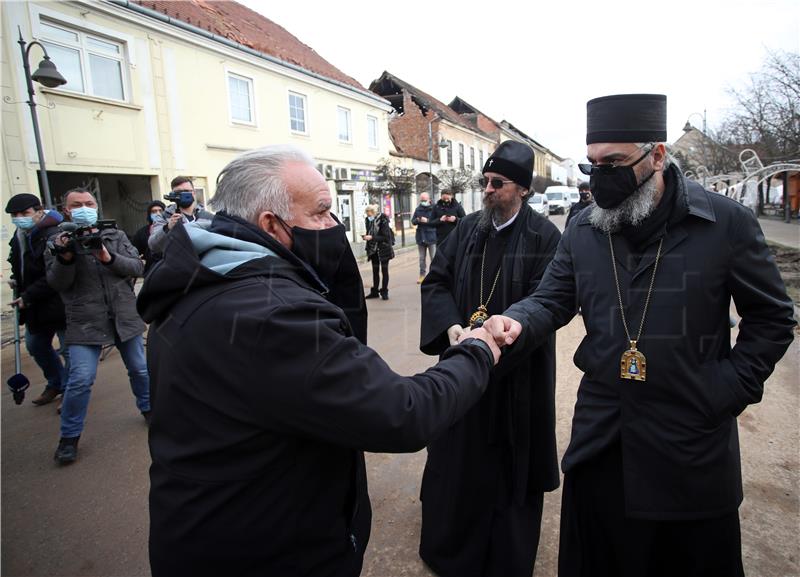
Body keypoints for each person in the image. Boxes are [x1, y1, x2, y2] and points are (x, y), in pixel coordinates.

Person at [136, 144, 502, 577]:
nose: (334, 225)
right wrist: (476, 351)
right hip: (266, 551)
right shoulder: (274, 313)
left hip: (207, 531)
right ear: (271, 224)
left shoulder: (203, 276)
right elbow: (400, 413)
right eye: (321, 212)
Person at [483, 94, 796, 577]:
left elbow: (773, 318)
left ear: (656, 155)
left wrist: (726, 389)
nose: (600, 176)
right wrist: (516, 321)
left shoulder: (725, 223)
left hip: (689, 446)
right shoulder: (584, 228)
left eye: (614, 162)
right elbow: (551, 299)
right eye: (591, 166)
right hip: (602, 441)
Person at [418, 140, 562, 577]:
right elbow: (436, 282)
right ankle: (453, 550)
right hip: (462, 367)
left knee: (508, 465)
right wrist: (453, 329)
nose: (487, 190)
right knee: (458, 461)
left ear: (522, 189)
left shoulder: (546, 237)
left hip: (518, 375)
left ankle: (503, 557)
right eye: (484, 181)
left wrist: (499, 340)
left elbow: (548, 302)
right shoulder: (467, 229)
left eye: (497, 183)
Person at [46, 187, 150, 464]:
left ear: (96, 206)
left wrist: (108, 257)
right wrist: (65, 258)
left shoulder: (114, 235)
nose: (83, 208)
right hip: (84, 321)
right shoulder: (58, 240)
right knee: (80, 379)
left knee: (140, 369)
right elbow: (56, 283)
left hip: (123, 315)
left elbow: (137, 267)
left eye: (88, 203)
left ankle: (149, 408)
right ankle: (69, 437)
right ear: (66, 209)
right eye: (76, 204)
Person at [5, 193, 67, 406]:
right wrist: (17, 279)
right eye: (15, 214)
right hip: (35, 305)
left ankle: (70, 391)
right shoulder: (20, 234)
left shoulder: (52, 234)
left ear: (39, 211)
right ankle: (56, 382)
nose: (19, 217)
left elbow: (54, 275)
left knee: (69, 349)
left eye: (25, 213)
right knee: (36, 345)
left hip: (60, 302)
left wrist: (27, 295)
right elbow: (19, 262)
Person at [148, 176, 213, 253]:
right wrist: (168, 228)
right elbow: (153, 245)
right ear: (173, 195)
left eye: (186, 191)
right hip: (177, 262)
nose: (183, 195)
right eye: (179, 193)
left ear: (194, 193)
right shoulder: (163, 217)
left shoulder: (208, 217)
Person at [362, 204, 393, 300]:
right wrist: (366, 236)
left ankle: (384, 291)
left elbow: (386, 236)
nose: (368, 216)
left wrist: (372, 237)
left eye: (369, 214)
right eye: (367, 214)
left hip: (384, 248)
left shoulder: (383, 219)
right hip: (373, 249)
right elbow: (369, 231)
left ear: (374, 213)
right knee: (375, 271)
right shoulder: (368, 220)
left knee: (384, 271)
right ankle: (375, 291)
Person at [129, 200, 166, 274]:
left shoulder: (169, 228)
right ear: (149, 214)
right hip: (150, 271)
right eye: (154, 211)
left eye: (160, 211)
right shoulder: (141, 232)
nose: (158, 214)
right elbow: (134, 250)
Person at [412, 192, 437, 283]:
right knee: (421, 258)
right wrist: (417, 220)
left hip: (431, 236)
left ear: (429, 199)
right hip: (421, 236)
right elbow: (413, 221)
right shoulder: (418, 209)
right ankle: (422, 275)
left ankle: (434, 275)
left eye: (424, 200)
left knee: (433, 257)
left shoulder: (434, 209)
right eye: (421, 200)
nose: (423, 202)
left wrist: (428, 220)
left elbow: (437, 221)